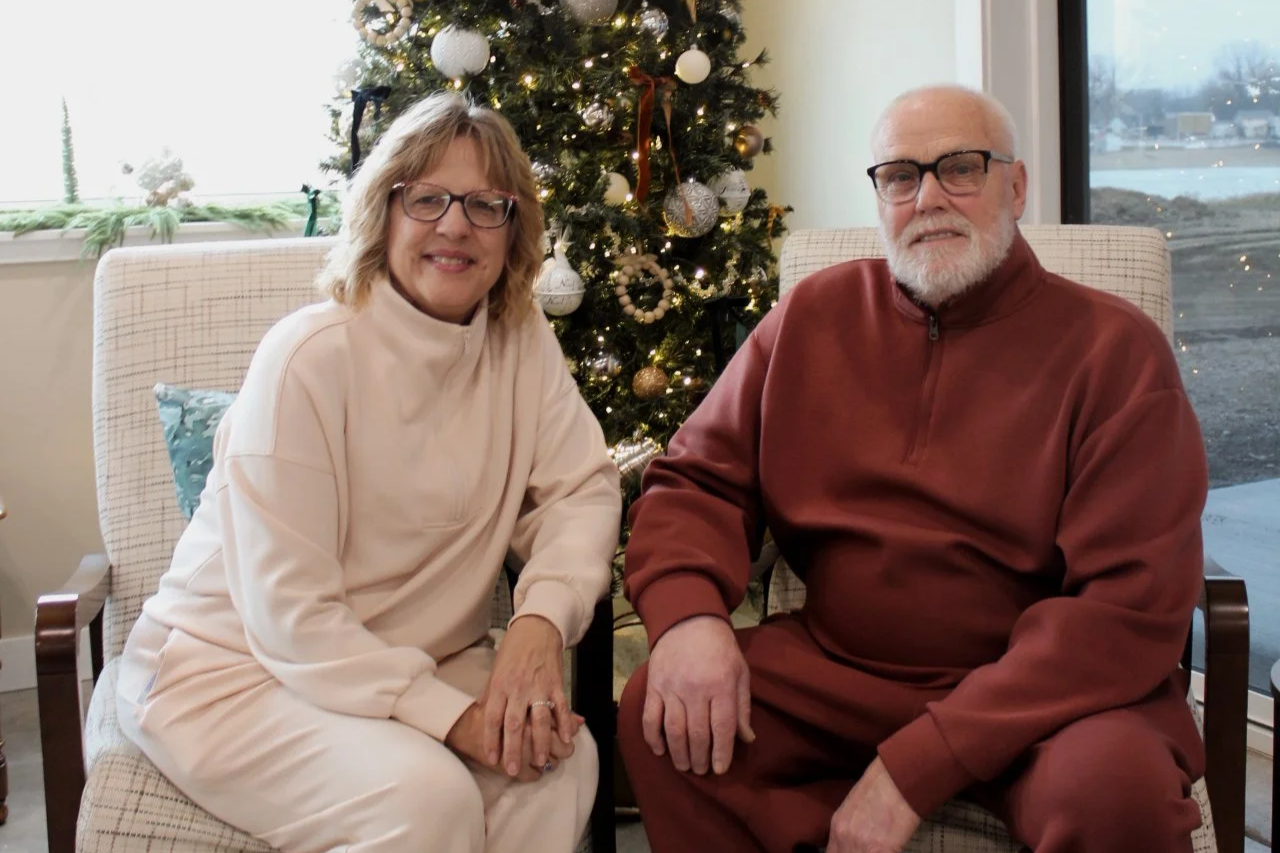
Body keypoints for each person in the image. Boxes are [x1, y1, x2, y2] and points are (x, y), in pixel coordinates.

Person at [618, 84, 1208, 853]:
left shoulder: (1116, 351)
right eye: (900, 175)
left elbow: (1126, 607)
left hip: (1048, 700)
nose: (927, 198)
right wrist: (691, 616)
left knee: (1114, 793)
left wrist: (913, 768)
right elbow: (698, 480)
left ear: (1016, 186)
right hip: (840, 673)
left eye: (960, 168)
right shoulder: (811, 316)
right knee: (662, 718)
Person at [116, 91, 622, 853]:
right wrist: (452, 718)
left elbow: (580, 489)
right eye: (427, 199)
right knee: (428, 800)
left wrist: (540, 619)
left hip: (418, 656)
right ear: (382, 214)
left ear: (514, 230)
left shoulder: (522, 343)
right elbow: (292, 616)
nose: (455, 224)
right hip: (233, 671)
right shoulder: (306, 360)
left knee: (555, 764)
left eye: (487, 204)